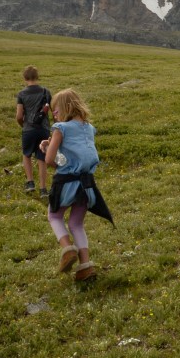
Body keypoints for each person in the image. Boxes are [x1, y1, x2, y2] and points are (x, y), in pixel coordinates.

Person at [40, 89, 113, 282]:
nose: (53, 114)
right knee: (76, 224)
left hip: (66, 183)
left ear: (65, 108)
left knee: (54, 216)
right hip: (87, 185)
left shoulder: (60, 128)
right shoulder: (89, 128)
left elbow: (49, 160)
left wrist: (48, 147)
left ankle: (67, 249)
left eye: (55, 110)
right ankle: (85, 266)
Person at [15, 65, 51, 195]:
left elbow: (19, 116)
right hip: (44, 128)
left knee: (26, 155)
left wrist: (23, 125)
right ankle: (43, 189)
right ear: (37, 77)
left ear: (25, 78)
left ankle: (30, 182)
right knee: (42, 158)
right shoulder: (46, 92)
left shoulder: (22, 94)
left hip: (28, 129)